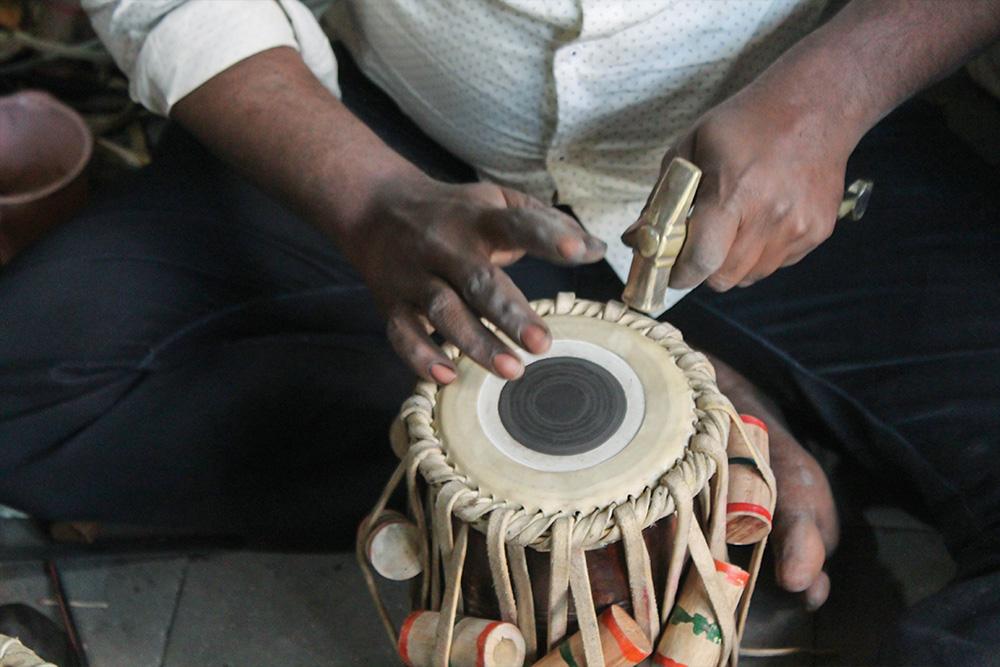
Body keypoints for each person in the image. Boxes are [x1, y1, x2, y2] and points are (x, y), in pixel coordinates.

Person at [0, 0, 997, 662]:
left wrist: (835, 91)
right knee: (33, 380)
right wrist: (366, 198)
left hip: (806, 151)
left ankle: (664, 432)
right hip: (412, 164)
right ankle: (656, 435)